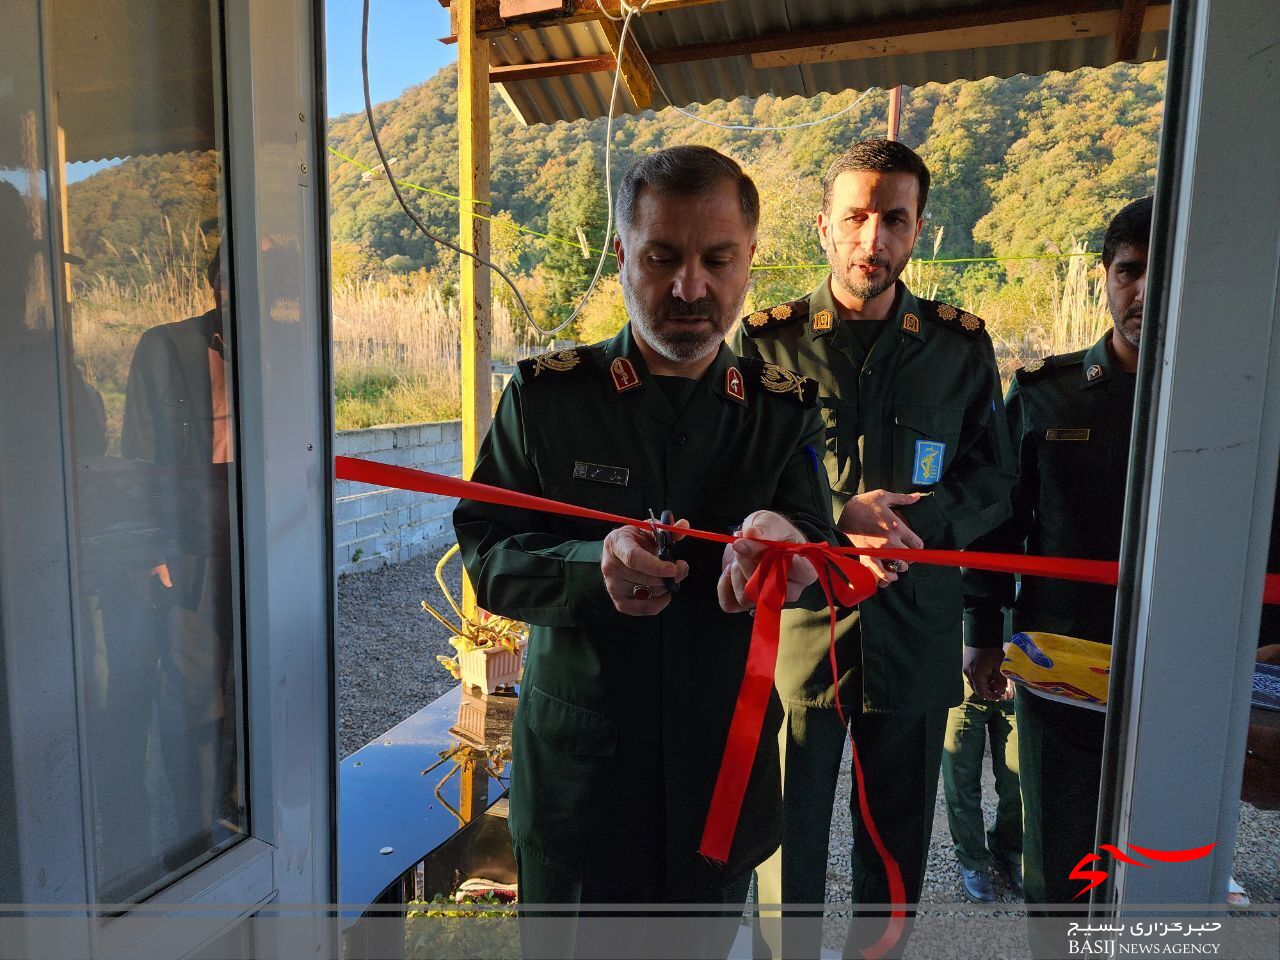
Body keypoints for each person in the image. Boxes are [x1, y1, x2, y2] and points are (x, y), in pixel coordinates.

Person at [452, 145, 841, 958]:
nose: (690, 287)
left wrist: (790, 558)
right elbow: (487, 551)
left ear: (751, 260)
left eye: (717, 259)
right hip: (580, 787)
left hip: (719, 778)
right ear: (624, 253)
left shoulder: (782, 412)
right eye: (663, 257)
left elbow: (817, 553)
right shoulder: (548, 398)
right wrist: (585, 569)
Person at [729, 139, 1016, 957]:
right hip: (798, 639)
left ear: (918, 228)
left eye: (894, 218)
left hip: (915, 634)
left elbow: (993, 477)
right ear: (823, 227)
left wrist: (924, 526)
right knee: (786, 854)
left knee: (893, 860)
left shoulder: (959, 347)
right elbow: (736, 477)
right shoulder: (767, 344)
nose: (872, 240)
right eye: (855, 217)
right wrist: (832, 515)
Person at [962, 197, 1153, 950]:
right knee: (1062, 860)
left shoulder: (1238, 397)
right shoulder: (1047, 393)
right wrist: (980, 634)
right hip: (1064, 661)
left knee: (1163, 851)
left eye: (1167, 271)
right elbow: (997, 523)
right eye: (1130, 271)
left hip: (1192, 666)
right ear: (1106, 278)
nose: (1145, 291)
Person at [122, 242, 242, 870]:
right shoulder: (164, 348)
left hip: (263, 543)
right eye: (230, 275)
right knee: (197, 684)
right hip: (191, 540)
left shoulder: (282, 349)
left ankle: (244, 810)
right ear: (213, 282)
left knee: (257, 678)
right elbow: (138, 454)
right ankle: (193, 833)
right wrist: (154, 547)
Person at [940, 669, 1022, 903]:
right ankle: (972, 858)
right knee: (960, 781)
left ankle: (1010, 850)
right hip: (964, 682)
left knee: (1018, 782)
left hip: (1015, 682)